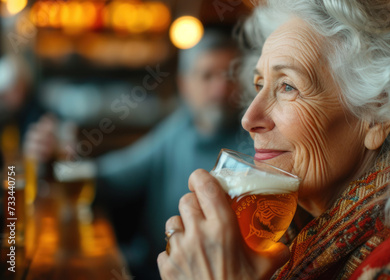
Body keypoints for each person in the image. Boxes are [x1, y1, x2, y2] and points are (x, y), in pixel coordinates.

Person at [157, 0, 390, 279]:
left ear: (378, 116)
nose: (249, 119)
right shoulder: (292, 237)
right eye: (260, 85)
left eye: (288, 86)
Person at [24, 28, 252, 279]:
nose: (220, 89)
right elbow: (113, 177)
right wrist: (62, 160)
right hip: (149, 265)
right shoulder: (179, 128)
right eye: (207, 76)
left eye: (230, 76)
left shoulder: (253, 143)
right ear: (184, 84)